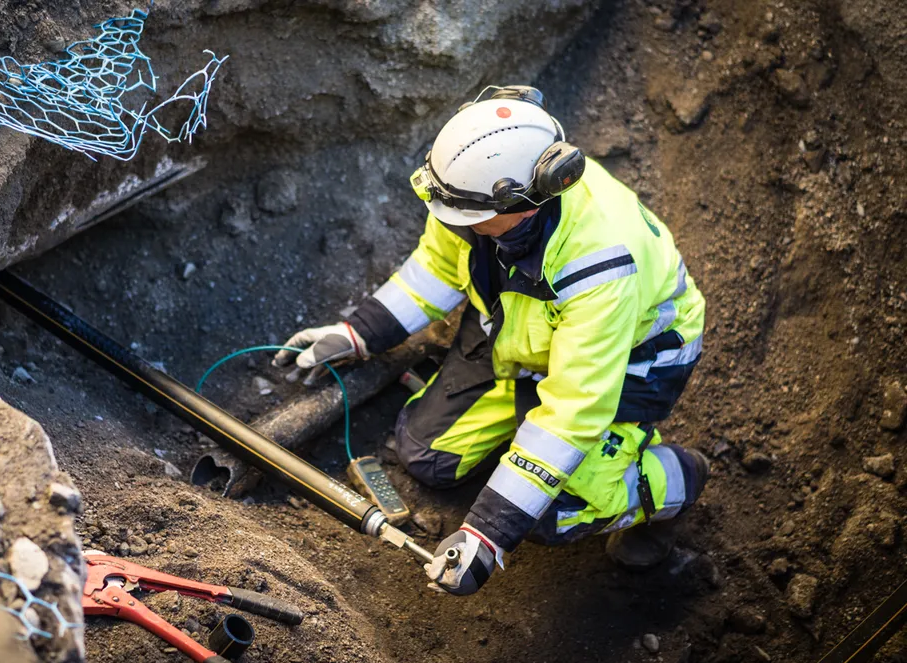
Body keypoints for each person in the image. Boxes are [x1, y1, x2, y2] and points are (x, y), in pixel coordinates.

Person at [273, 86, 710, 595]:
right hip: (518, 338)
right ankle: (523, 425)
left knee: (548, 516)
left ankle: (678, 477)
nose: (444, 217)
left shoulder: (600, 266)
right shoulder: (468, 197)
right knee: (425, 455)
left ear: (524, 204)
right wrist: (357, 333)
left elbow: (572, 412)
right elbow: (433, 268)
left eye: (460, 213)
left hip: (630, 366)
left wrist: (488, 531)